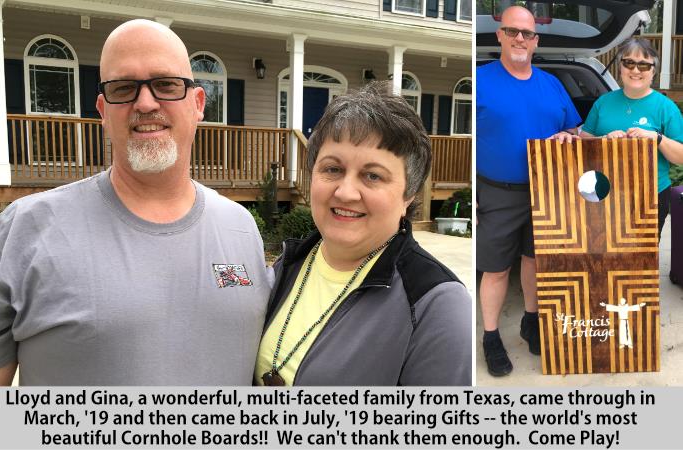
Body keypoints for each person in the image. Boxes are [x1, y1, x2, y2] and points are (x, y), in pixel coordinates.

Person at [0, 20, 271, 385]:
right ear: (103, 110)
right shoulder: (21, 233)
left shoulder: (241, 227)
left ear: (198, 104)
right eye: (124, 88)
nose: (146, 103)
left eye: (166, 84)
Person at [255, 82, 471, 386]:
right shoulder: (290, 264)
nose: (345, 192)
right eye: (332, 169)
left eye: (372, 176)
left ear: (408, 195)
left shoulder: (435, 303)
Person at [476, 5, 581, 377]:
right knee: (496, 268)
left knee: (535, 261)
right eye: (513, 31)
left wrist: (570, 136)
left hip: (549, 191)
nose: (521, 38)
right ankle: (490, 337)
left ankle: (531, 321)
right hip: (498, 193)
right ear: (499, 36)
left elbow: (574, 130)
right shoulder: (479, 80)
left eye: (528, 33)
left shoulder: (551, 83)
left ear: (536, 41)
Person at [579, 37, 683, 237]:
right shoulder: (603, 102)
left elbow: (680, 156)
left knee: (641, 259)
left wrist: (656, 137)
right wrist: (604, 140)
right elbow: (582, 143)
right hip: (602, 192)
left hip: (650, 194)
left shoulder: (665, 107)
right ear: (620, 67)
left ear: (653, 70)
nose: (636, 70)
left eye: (644, 65)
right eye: (629, 63)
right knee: (602, 252)